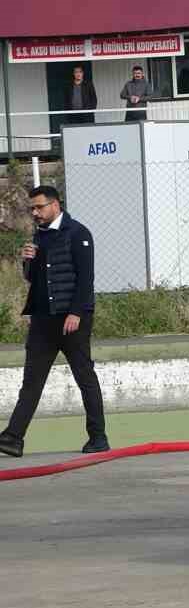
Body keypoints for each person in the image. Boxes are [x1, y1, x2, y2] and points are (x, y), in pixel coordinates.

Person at [0, 187, 108, 458]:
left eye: (39, 207)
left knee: (85, 377)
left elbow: (86, 279)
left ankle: (98, 437)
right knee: (32, 381)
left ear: (55, 205)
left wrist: (76, 313)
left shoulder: (78, 233)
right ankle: (13, 438)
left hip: (72, 320)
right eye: (32, 209)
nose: (35, 213)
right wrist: (27, 263)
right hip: (43, 320)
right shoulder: (40, 235)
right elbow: (33, 279)